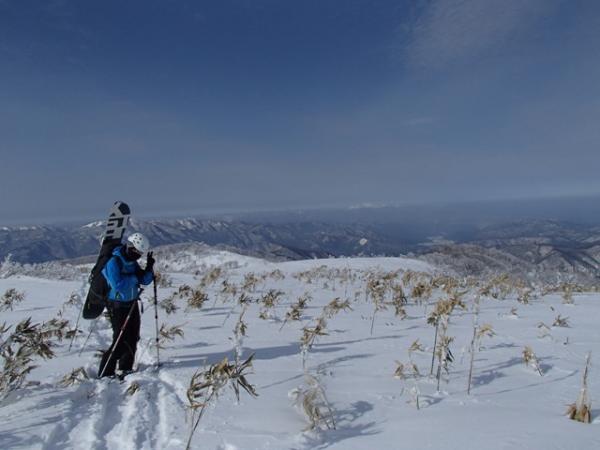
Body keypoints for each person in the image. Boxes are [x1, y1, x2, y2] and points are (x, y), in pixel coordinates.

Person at [98, 232, 155, 378]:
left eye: (140, 254)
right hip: (117, 305)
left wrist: (149, 268)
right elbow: (117, 285)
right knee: (120, 339)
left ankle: (126, 368)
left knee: (133, 336)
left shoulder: (131, 262)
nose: (138, 256)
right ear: (130, 247)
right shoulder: (114, 262)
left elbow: (144, 280)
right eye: (137, 252)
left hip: (132, 303)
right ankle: (105, 372)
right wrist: (135, 277)